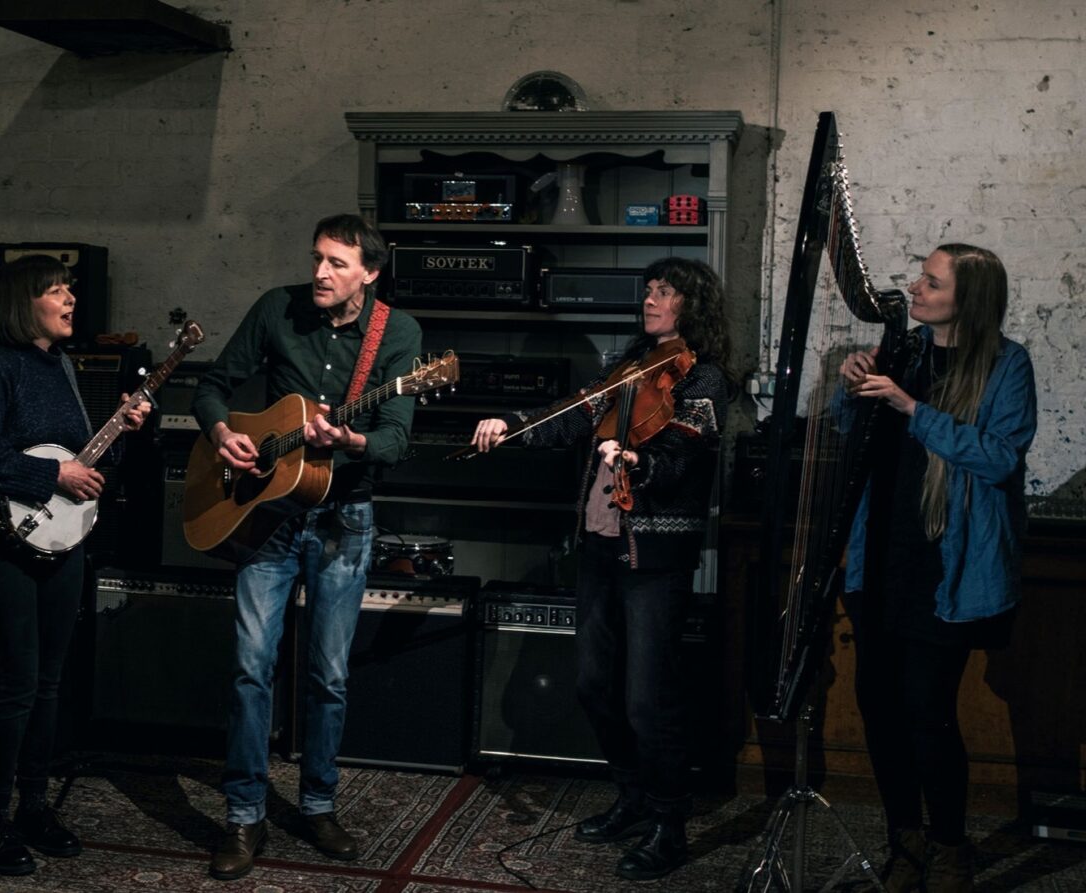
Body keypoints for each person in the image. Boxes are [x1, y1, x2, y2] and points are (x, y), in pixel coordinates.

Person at [471, 256, 730, 882]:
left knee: (647, 699)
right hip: (601, 545)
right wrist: (514, 425)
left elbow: (685, 459)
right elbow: (573, 414)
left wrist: (639, 462)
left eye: (665, 292)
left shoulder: (705, 378)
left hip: (655, 558)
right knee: (593, 684)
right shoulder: (629, 365)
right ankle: (632, 795)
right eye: (649, 290)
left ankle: (668, 821)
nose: (651, 300)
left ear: (692, 304)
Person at [192, 213, 422, 881]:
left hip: (343, 517)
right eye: (317, 257)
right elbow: (212, 387)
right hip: (268, 515)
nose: (320, 272)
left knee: (328, 675)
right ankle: (244, 814)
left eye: (337, 263)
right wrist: (222, 435)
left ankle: (318, 803)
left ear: (369, 273)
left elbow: (396, 439)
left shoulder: (399, 334)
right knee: (250, 667)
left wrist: (350, 440)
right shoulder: (277, 308)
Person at [838, 244, 1037, 893]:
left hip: (946, 565)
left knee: (928, 711)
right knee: (879, 707)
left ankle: (950, 846)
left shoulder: (1008, 364)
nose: (915, 288)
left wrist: (911, 407)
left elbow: (1000, 457)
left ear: (966, 299)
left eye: (932, 281)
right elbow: (853, 435)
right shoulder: (904, 352)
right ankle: (905, 840)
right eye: (921, 276)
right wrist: (852, 387)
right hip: (880, 557)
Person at [0, 254, 150, 876]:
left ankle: (34, 807)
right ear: (24, 302)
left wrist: (124, 431)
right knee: (16, 683)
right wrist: (53, 475)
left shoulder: (62, 365)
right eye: (56, 290)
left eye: (70, 288)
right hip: (4, 545)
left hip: (62, 545)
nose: (71, 298)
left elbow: (87, 469)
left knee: (50, 682)